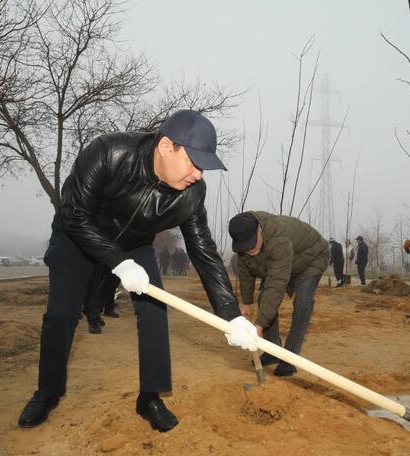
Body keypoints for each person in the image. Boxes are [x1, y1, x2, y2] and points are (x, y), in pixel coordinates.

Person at [17, 110, 259, 432]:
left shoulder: (191, 195)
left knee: (155, 311)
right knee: (61, 314)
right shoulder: (108, 153)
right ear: (165, 147)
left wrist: (232, 316)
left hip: (133, 244)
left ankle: (150, 398)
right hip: (76, 234)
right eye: (193, 162)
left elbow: (204, 253)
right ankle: (48, 392)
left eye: (204, 166)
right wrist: (114, 260)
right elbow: (73, 213)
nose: (198, 174)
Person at [229, 211, 328, 377]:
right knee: (263, 298)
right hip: (286, 262)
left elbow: (276, 285)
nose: (250, 250)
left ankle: (289, 358)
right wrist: (246, 303)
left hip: (310, 260)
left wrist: (259, 325)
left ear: (260, 229)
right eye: (245, 247)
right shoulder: (245, 247)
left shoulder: (278, 238)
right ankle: (272, 349)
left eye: (252, 244)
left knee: (303, 301)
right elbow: (246, 274)